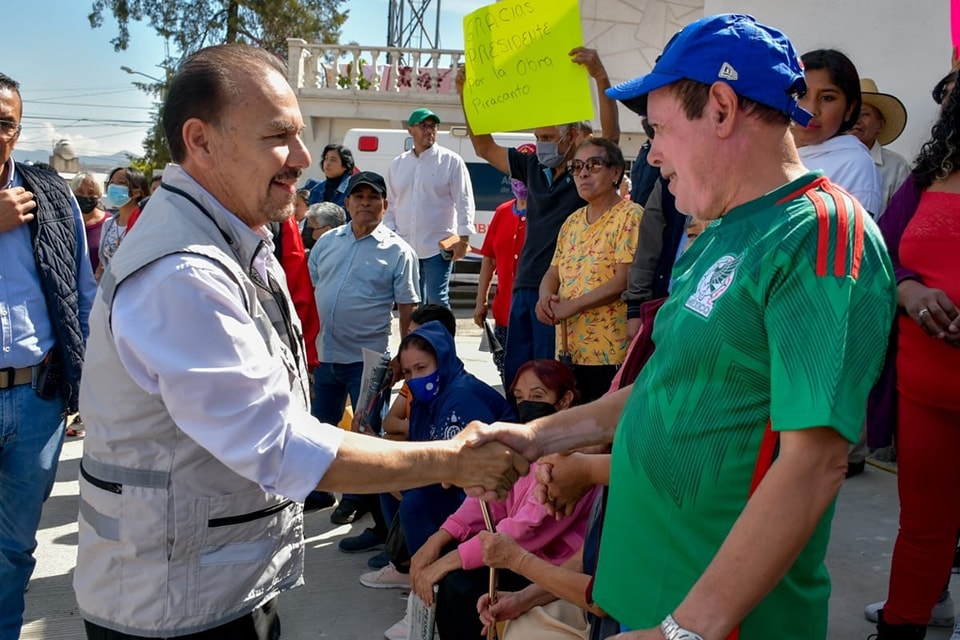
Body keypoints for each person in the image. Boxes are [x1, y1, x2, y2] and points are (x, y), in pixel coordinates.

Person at [73, 44, 527, 640]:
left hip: (208, 586)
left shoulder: (231, 238)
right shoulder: (184, 273)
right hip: (173, 606)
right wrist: (452, 460)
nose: (304, 157)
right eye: (279, 136)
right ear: (201, 139)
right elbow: (282, 445)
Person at [468, 14, 896, 640]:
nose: (653, 154)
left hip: (712, 624)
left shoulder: (821, 236)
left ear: (721, 108)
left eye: (659, 129)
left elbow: (814, 464)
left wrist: (687, 629)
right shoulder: (713, 233)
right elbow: (666, 386)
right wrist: (535, 437)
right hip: (639, 597)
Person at [862, 61, 960, 640]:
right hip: (924, 389)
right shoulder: (930, 178)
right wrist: (909, 287)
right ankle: (905, 626)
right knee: (924, 524)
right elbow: (880, 254)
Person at [457, 47, 621, 390]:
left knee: (550, 379)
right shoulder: (531, 166)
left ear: (573, 136)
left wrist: (600, 75)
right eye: (537, 137)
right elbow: (483, 147)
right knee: (518, 376)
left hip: (561, 289)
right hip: (524, 284)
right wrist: (465, 94)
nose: (540, 144)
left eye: (547, 138)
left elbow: (611, 137)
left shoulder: (584, 171)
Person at [0, 72, 97, 640]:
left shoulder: (51, 195)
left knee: (13, 548)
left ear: (17, 130)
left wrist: (89, 389)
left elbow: (83, 296)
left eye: (4, 123)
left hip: (36, 400)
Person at [404, 354, 593, 640]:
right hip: (521, 549)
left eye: (537, 395)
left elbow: (528, 528)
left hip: (551, 561)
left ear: (565, 400)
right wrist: (440, 538)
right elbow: (493, 499)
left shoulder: (573, 457)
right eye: (519, 396)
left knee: (460, 584)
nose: (526, 404)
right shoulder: (528, 444)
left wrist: (448, 562)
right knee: (441, 550)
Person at [308, 170, 420, 535]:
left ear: (385, 205)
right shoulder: (327, 243)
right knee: (321, 429)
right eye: (359, 197)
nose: (366, 204)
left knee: (364, 433)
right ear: (348, 203)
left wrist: (404, 360)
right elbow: (313, 284)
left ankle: (357, 499)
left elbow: (408, 310)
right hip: (326, 355)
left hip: (369, 361)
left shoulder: (399, 251)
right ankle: (322, 491)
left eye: (374, 198)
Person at [537, 138, 640, 401]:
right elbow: (553, 273)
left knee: (601, 435)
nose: (583, 173)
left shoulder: (630, 215)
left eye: (594, 165)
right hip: (569, 348)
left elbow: (624, 280)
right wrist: (545, 297)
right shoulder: (572, 221)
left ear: (616, 172)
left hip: (608, 352)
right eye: (578, 166)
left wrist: (574, 305)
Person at [384, 107, 476, 307]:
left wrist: (464, 238)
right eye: (423, 126)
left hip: (438, 245)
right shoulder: (397, 165)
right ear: (411, 130)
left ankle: (442, 338)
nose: (429, 131)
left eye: (433, 126)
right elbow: (390, 205)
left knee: (437, 300)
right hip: (406, 246)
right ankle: (415, 338)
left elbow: (464, 201)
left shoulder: (451, 162)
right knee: (410, 301)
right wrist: (391, 237)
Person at [792, 49, 883, 217]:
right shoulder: (772, 152)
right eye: (801, 94)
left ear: (850, 108)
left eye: (827, 98)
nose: (811, 110)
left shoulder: (855, 165)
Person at [474, 176, 528, 384]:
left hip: (533, 314)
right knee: (505, 367)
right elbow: (489, 258)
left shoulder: (544, 213)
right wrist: (481, 301)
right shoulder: (502, 211)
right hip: (504, 312)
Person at [851, 78, 911, 215]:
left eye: (864, 114)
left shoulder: (896, 166)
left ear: (880, 124)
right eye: (851, 114)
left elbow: (902, 217)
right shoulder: (828, 158)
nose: (856, 121)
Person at [98, 166, 148, 277]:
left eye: (121, 183)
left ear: (136, 193)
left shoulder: (144, 225)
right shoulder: (108, 224)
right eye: (111, 182)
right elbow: (103, 260)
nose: (113, 187)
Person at [70, 172, 108, 278]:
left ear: (99, 195)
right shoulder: (65, 222)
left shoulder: (109, 223)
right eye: (80, 192)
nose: (85, 196)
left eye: (91, 193)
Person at [304, 143, 355, 211]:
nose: (327, 163)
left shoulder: (352, 190)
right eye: (326, 158)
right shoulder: (316, 190)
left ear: (345, 166)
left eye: (333, 160)